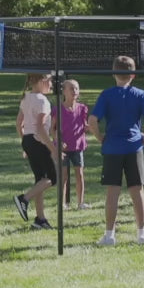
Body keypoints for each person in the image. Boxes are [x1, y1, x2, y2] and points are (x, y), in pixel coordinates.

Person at [88, 56, 144, 246]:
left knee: (113, 192)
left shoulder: (106, 95)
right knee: (137, 191)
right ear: (133, 74)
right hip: (133, 147)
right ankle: (142, 234)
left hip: (112, 147)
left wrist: (100, 137)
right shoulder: (140, 94)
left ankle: (110, 235)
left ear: (113, 73)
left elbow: (92, 120)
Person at [13, 73, 57, 229]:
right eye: (50, 81)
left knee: (40, 180)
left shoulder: (26, 98)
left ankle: (40, 219)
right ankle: (24, 199)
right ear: (41, 81)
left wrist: (25, 145)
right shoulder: (42, 100)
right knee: (52, 178)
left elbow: (19, 124)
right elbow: (39, 128)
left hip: (28, 140)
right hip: (38, 141)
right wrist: (53, 149)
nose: (52, 84)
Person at [56, 79, 91, 210]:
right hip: (63, 148)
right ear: (64, 91)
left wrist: (93, 127)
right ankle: (63, 203)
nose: (74, 91)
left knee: (79, 174)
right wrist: (58, 141)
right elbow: (52, 129)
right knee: (63, 176)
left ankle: (80, 202)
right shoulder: (58, 109)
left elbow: (85, 125)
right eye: (71, 88)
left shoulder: (82, 108)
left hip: (77, 146)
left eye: (76, 88)